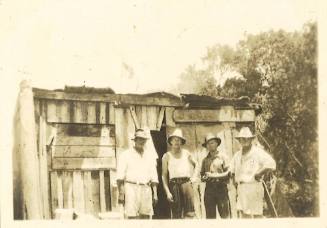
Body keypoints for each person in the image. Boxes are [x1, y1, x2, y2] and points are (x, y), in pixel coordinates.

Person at [229, 127, 276, 218]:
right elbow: (231, 170)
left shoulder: (257, 152)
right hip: (241, 188)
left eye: (247, 138)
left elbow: (271, 163)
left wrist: (259, 173)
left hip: (254, 186)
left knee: (256, 215)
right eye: (243, 138)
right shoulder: (237, 155)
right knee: (244, 215)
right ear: (239, 140)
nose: (245, 140)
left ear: (251, 139)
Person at [116, 129, 159, 219]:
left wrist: (155, 194)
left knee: (146, 215)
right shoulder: (126, 155)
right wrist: (121, 193)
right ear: (134, 140)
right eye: (139, 139)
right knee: (132, 216)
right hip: (131, 187)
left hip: (146, 188)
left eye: (143, 139)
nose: (141, 141)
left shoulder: (150, 156)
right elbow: (120, 176)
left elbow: (154, 176)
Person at [161, 128, 199, 219]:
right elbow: (164, 175)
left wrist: (194, 177)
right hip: (174, 185)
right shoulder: (166, 156)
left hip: (186, 184)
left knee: (190, 213)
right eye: (175, 139)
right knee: (176, 213)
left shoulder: (186, 153)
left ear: (182, 142)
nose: (177, 142)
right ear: (171, 141)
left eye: (179, 140)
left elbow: (196, 164)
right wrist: (167, 192)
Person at [200, 133, 231, 219]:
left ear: (217, 144)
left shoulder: (223, 157)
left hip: (221, 188)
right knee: (210, 217)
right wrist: (205, 177)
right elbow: (202, 176)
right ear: (206, 146)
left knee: (225, 216)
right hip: (209, 190)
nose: (210, 145)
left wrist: (214, 176)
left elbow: (228, 174)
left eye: (212, 143)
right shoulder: (205, 160)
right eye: (208, 144)